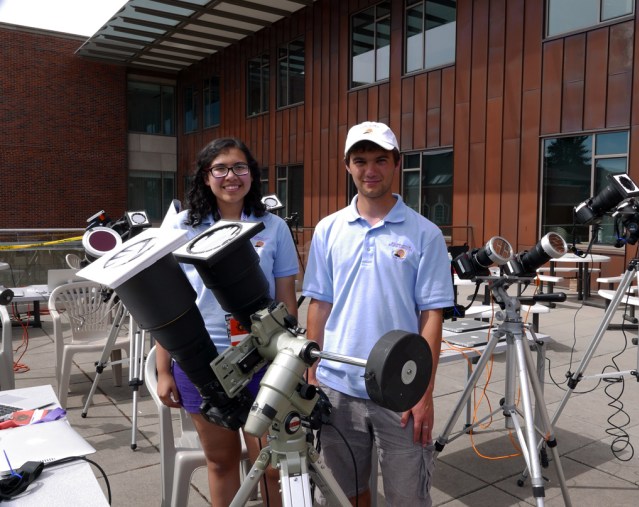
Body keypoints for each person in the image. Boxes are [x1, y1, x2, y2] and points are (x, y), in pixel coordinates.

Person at [302, 121, 454, 506]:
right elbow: (320, 304)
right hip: (338, 385)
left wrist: (424, 390)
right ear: (347, 166)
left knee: (407, 498)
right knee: (344, 494)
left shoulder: (425, 234)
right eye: (360, 160)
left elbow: (430, 316)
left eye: (380, 160)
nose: (370, 169)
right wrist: (311, 369)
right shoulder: (328, 230)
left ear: (397, 163)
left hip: (400, 390)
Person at [156, 137, 299, 507]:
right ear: (206, 177)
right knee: (221, 462)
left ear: (251, 174)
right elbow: (169, 304)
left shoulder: (273, 227)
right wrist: (163, 369)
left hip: (263, 358)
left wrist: (291, 358)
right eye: (219, 168)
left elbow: (286, 298)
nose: (230, 176)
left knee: (270, 464)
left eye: (239, 167)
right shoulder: (184, 227)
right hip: (200, 362)